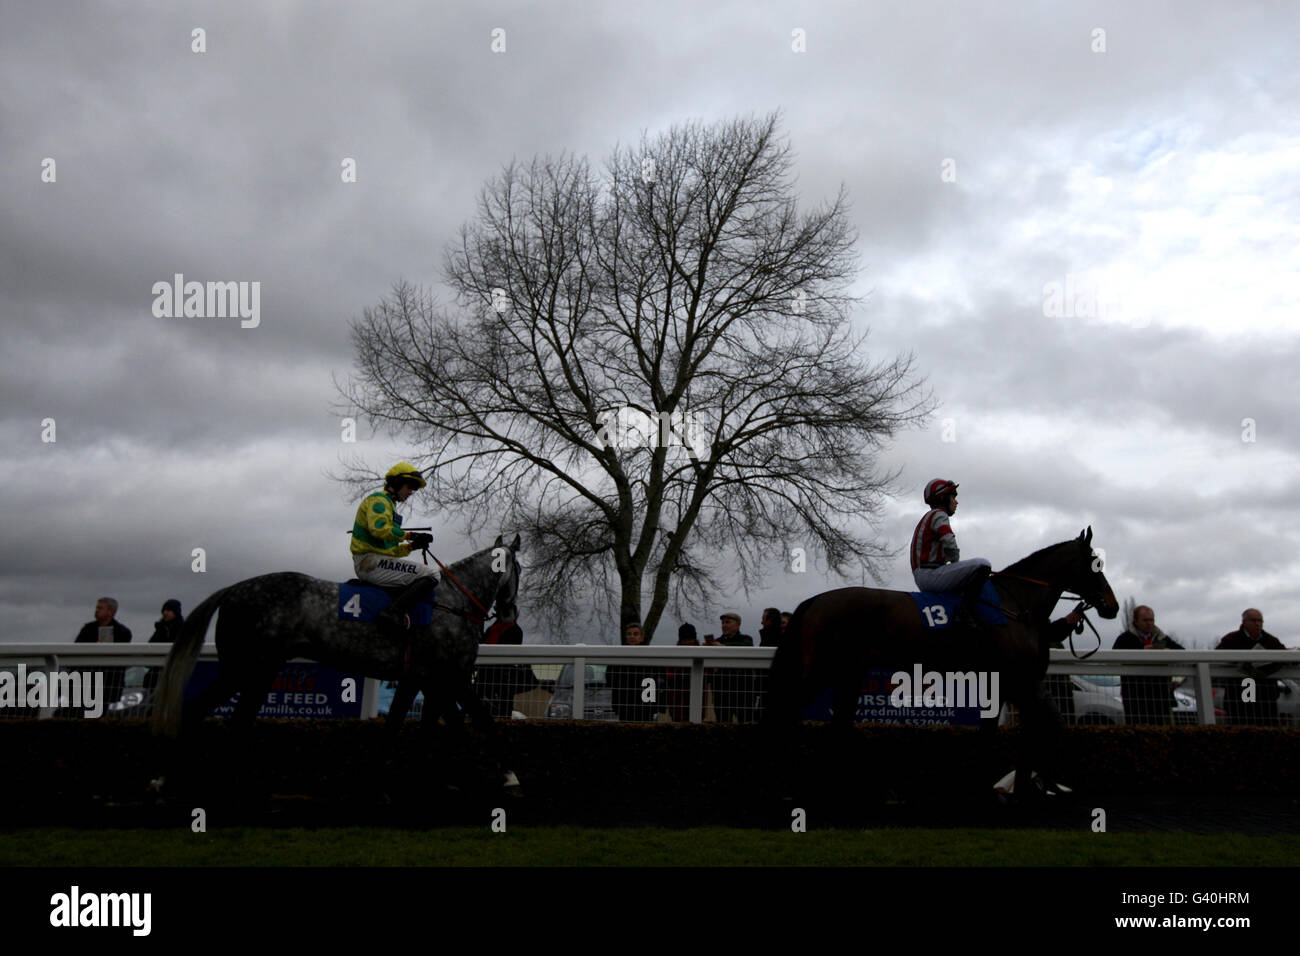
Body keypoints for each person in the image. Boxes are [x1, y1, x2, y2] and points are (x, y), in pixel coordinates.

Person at [350, 462, 440, 636]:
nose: (411, 491)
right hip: (369, 562)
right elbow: (379, 528)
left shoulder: (390, 505)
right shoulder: (379, 501)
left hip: (376, 560)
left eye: (414, 488)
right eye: (409, 486)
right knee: (432, 574)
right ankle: (391, 613)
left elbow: (390, 551)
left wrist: (412, 546)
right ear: (397, 483)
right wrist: (410, 535)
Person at [910, 479, 992, 632]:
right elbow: (949, 542)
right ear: (943, 498)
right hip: (930, 575)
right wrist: (956, 563)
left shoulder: (929, 516)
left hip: (926, 574)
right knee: (983, 564)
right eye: (953, 497)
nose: (956, 502)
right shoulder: (939, 514)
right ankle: (964, 613)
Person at [1112, 605, 1183, 725]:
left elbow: (1182, 652)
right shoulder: (1125, 638)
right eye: (1145, 620)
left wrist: (1166, 651)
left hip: (1160, 695)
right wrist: (1142, 650)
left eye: (1151, 620)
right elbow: (1115, 656)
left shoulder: (1162, 638)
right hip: (1135, 695)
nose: (1149, 623)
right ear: (1135, 621)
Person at [1216, 609, 1287, 726]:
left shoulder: (1271, 640)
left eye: (1260, 621)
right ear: (1244, 622)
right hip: (1239, 695)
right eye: (1253, 620)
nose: (1257, 624)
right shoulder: (1231, 639)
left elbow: (1284, 656)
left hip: (1265, 696)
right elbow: (1217, 657)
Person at [74, 597, 132, 711]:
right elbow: (77, 647)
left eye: (100, 608)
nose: (96, 610)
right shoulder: (87, 629)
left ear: (110, 611)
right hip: (87, 680)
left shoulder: (122, 632)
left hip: (109, 681)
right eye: (97, 607)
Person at [608, 622, 661, 722]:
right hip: (624, 706)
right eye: (629, 634)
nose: (632, 636)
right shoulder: (617, 658)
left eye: (635, 634)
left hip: (645, 708)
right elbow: (610, 680)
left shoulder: (651, 658)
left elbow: (656, 683)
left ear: (641, 637)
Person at [714, 611, 757, 722]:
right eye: (723, 623)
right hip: (722, 690)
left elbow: (747, 647)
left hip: (743, 691)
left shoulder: (746, 639)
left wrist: (723, 647)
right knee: (722, 723)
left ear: (738, 624)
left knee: (746, 722)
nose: (724, 625)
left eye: (727, 622)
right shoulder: (717, 641)